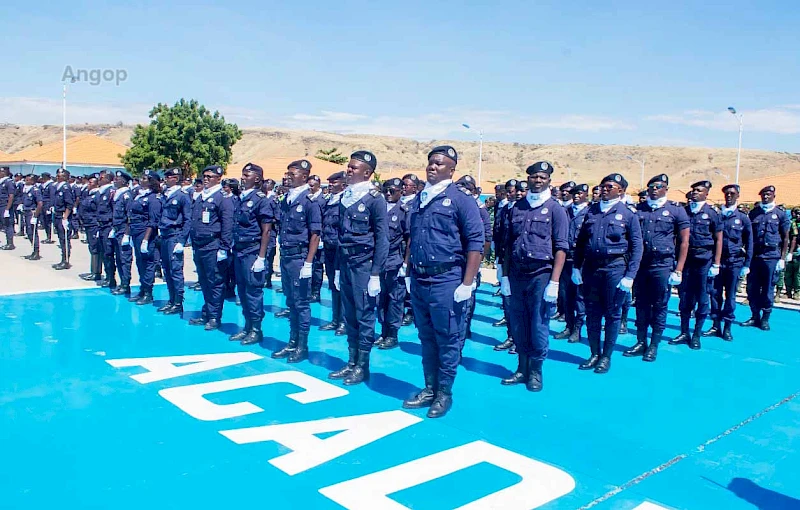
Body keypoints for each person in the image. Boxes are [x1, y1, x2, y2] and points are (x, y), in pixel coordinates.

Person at [401, 146, 484, 418]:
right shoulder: (420, 199)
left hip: (447, 278)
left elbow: (476, 243)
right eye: (431, 162)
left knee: (447, 337)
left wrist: (467, 283)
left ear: (452, 169)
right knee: (426, 337)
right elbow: (413, 238)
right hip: (421, 278)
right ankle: (429, 387)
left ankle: (444, 392)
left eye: (440, 163)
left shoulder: (461, 200)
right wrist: (410, 272)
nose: (433, 167)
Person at [499, 161, 568, 391]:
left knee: (538, 325)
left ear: (549, 180)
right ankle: (521, 368)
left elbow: (561, 247)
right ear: (527, 179)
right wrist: (505, 276)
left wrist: (555, 282)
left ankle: (536, 371)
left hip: (541, 275)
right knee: (518, 323)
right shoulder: (517, 207)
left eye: (542, 177)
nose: (538, 181)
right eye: (534, 177)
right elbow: (507, 245)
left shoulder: (556, 209)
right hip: (518, 274)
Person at [327, 151, 389, 385]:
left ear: (367, 172)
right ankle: (351, 361)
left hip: (364, 265)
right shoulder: (346, 197)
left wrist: (375, 273)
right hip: (345, 262)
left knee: (364, 316)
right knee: (350, 314)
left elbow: (382, 239)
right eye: (349, 166)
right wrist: (336, 269)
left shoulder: (375, 199)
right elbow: (341, 237)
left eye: (354, 167)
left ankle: (362, 367)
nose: (349, 170)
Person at [573, 173, 643, 373]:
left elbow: (637, 247)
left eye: (609, 187)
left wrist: (630, 276)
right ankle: (594, 353)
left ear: (620, 191)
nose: (604, 189)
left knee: (612, 314)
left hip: (615, 268)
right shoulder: (592, 211)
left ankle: (606, 356)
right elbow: (581, 242)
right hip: (592, 269)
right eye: (603, 186)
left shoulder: (628, 214)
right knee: (592, 313)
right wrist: (577, 267)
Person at [623, 174, 689, 361]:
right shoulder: (638, 209)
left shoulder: (676, 210)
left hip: (662, 264)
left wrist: (679, 269)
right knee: (641, 304)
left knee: (660, 305)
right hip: (641, 264)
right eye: (651, 186)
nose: (654, 189)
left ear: (666, 189)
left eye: (658, 186)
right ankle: (641, 341)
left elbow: (684, 241)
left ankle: (654, 344)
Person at [271, 159, 322, 363]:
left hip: (300, 258)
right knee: (291, 301)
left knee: (301, 303)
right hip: (286, 256)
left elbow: (315, 234)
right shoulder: (287, 199)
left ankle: (302, 346)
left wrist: (309, 263)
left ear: (304, 176)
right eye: (288, 173)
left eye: (293, 173)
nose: (288, 176)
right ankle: (292, 342)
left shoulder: (310, 201)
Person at [669, 181, 722, 350]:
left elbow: (719, 239)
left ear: (706, 194)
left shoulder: (712, 213)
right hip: (686, 260)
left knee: (702, 297)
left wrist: (716, 263)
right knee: (684, 297)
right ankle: (684, 332)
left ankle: (696, 334)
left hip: (703, 260)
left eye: (699, 190)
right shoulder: (684, 211)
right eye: (693, 190)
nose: (694, 193)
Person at [229, 163, 276, 345]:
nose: (242, 177)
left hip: (252, 250)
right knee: (242, 289)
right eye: (242, 174)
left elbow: (266, 231)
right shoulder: (241, 198)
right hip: (240, 250)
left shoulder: (261, 200)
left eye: (246, 175)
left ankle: (256, 329)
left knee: (253, 291)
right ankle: (247, 326)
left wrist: (261, 257)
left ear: (257, 179)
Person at [189, 165, 234, 331]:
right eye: (204, 176)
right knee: (204, 281)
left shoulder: (223, 198)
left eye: (210, 176)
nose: (206, 179)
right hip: (200, 245)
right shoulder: (201, 197)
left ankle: (215, 316)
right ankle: (206, 312)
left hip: (213, 245)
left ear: (218, 178)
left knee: (215, 282)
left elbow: (227, 224)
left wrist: (224, 248)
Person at [705, 184, 752, 341]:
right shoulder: (717, 216)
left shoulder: (743, 218)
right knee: (714, 294)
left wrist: (747, 264)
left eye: (732, 194)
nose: (729, 196)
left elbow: (749, 241)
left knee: (730, 295)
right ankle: (715, 325)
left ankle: (727, 327)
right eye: (726, 194)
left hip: (734, 262)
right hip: (718, 262)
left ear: (738, 196)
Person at [743, 185, 790, 330]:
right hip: (755, 256)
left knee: (768, 289)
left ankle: (765, 318)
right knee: (752, 288)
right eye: (763, 194)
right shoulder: (754, 213)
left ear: (774, 196)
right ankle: (754, 315)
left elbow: (786, 237)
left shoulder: (780, 214)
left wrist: (782, 258)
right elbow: (747, 235)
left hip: (771, 256)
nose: (765, 197)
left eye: (768, 194)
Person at [554, 183, 590, 343]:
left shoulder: (590, 212)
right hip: (565, 259)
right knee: (565, 295)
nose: (575, 196)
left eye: (579, 193)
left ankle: (578, 328)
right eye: (573, 193)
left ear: (586, 195)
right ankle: (569, 325)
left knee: (579, 296)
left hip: (581, 260)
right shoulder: (565, 211)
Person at [158, 168, 193, 316]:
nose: (166, 179)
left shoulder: (182, 196)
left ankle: (178, 302)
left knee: (175, 270)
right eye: (166, 176)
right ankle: (171, 299)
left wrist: (182, 241)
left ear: (176, 178)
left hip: (175, 235)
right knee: (166, 269)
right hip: (164, 235)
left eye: (170, 176)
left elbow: (187, 219)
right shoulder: (165, 194)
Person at [127, 170, 163, 305]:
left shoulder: (154, 198)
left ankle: (148, 292)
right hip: (136, 232)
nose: (141, 180)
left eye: (145, 178)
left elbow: (153, 221)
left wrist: (146, 239)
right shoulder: (139, 195)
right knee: (140, 262)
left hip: (145, 233)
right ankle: (142, 289)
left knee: (148, 263)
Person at [319, 172, 346, 334]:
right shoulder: (330, 200)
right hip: (328, 248)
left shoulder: (344, 201)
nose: (330, 184)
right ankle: (335, 319)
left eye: (334, 182)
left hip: (339, 249)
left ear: (343, 184)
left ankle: (343, 321)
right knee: (332, 284)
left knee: (341, 285)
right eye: (329, 182)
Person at [52, 168, 76, 270]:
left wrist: (65, 218)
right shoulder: (59, 187)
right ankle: (63, 259)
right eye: (57, 174)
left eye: (60, 175)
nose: (57, 176)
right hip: (57, 215)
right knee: (61, 239)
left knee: (65, 239)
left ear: (65, 177)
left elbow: (69, 204)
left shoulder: (66, 188)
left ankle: (65, 261)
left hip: (63, 216)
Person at [21, 174, 43, 260]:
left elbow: (40, 203)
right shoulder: (26, 190)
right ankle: (34, 250)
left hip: (32, 212)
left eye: (27, 180)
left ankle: (36, 252)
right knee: (29, 232)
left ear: (32, 181)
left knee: (32, 232)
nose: (26, 181)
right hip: (26, 212)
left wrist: (35, 216)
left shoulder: (35, 190)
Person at [0, 166, 15, 250]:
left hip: (4, 205)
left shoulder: (9, 182)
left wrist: (7, 209)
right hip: (1, 205)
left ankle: (10, 243)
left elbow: (11, 196)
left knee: (7, 224)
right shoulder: (2, 182)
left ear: (4, 172)